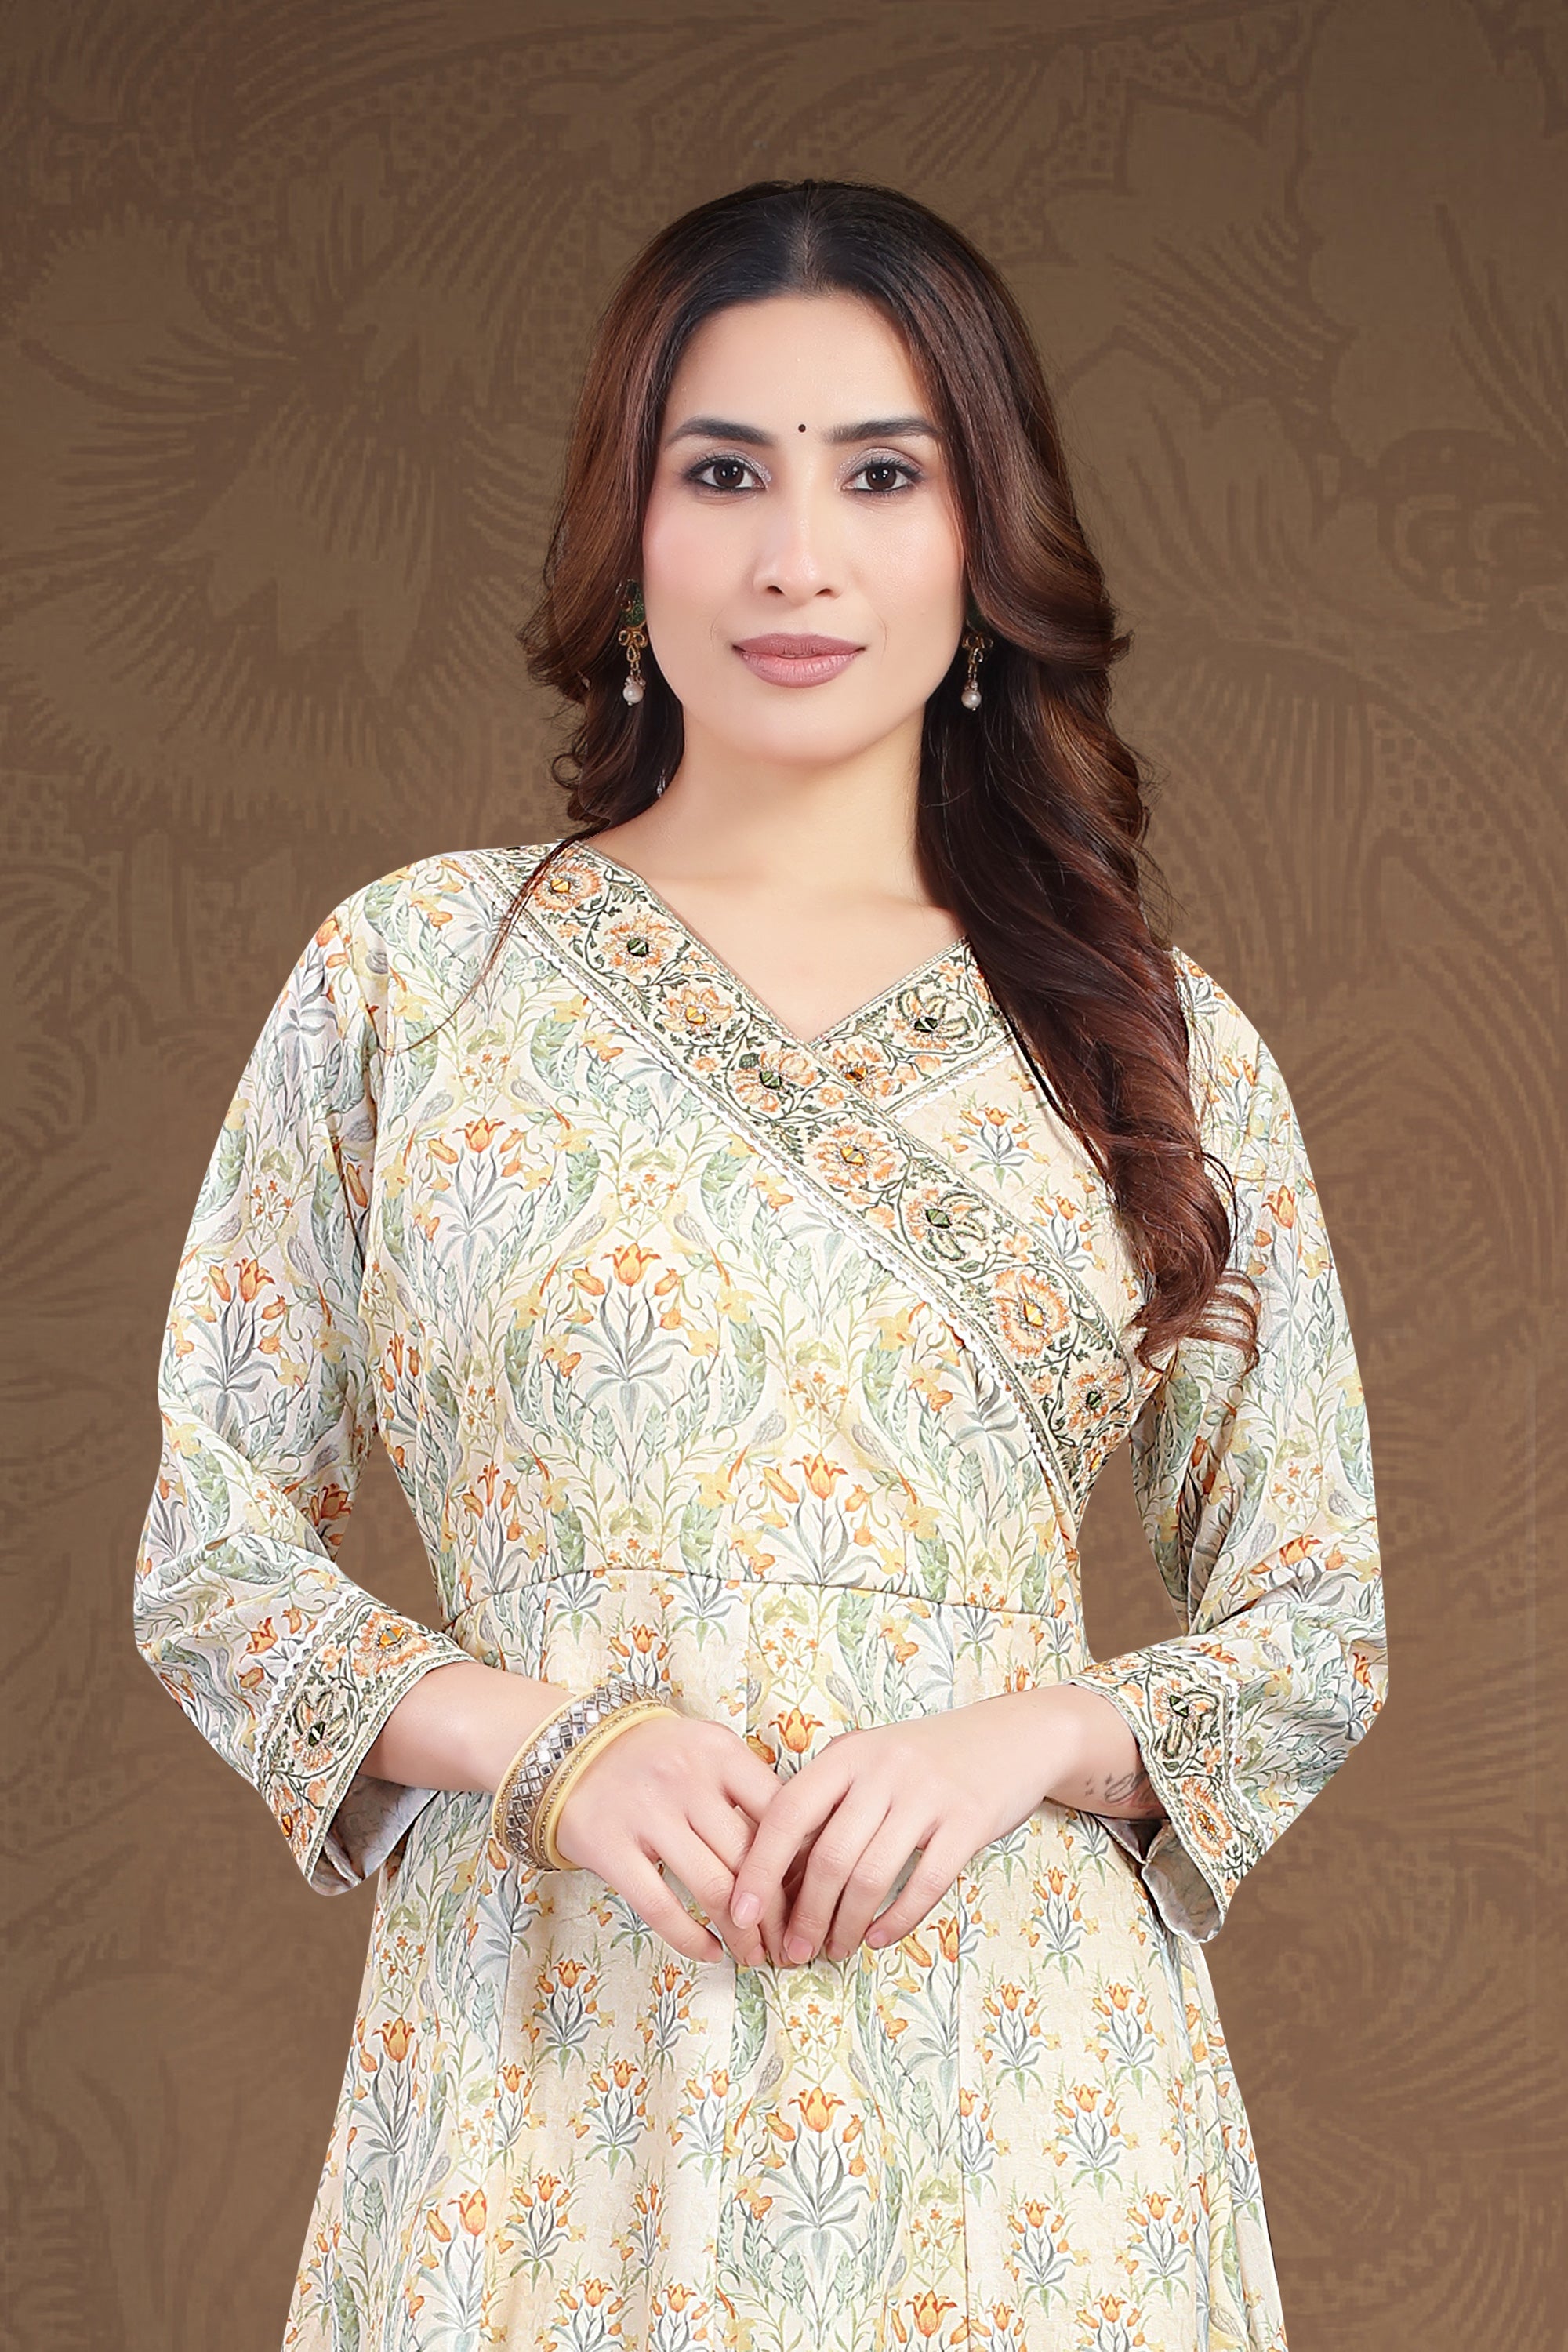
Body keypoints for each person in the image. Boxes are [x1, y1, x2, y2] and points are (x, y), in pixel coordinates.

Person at [132, 178, 1387, 2352]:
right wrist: (544, 1745)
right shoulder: (416, 982)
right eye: (724, 474)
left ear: (983, 544)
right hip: (545, 2087)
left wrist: (1024, 1740)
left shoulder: (1146, 1040)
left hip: (1026, 2122)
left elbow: (1316, 1619)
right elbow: (213, 1558)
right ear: (628, 534)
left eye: (881, 476)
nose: (798, 555)